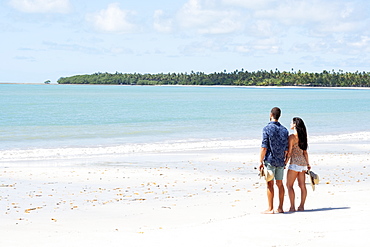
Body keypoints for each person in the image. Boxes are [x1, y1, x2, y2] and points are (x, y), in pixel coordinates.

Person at [259, 107, 289, 214]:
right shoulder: (284, 130)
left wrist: (260, 161)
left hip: (270, 160)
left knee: (269, 184)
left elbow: (264, 147)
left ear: (271, 114)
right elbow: (286, 148)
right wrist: (285, 160)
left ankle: (270, 208)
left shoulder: (267, 128)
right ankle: (280, 208)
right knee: (280, 184)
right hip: (280, 161)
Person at [285, 117, 311, 212]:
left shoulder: (292, 137)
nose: (290, 124)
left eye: (292, 122)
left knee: (289, 185)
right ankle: (301, 206)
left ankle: (292, 207)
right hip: (303, 163)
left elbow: (289, 152)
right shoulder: (303, 136)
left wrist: (285, 162)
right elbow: (305, 152)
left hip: (295, 163)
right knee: (302, 185)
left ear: (295, 124)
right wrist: (308, 164)